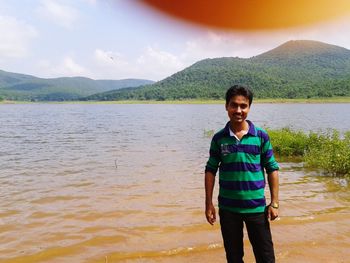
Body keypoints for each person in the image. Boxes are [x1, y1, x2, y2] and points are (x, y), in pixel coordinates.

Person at [205, 84, 279, 263]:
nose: (238, 110)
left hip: (256, 208)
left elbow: (272, 168)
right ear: (226, 106)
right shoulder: (219, 138)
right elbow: (210, 170)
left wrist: (274, 203)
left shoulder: (261, 136)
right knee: (234, 257)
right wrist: (208, 204)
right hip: (229, 209)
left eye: (243, 106)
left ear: (249, 107)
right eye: (234, 105)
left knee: (266, 257)